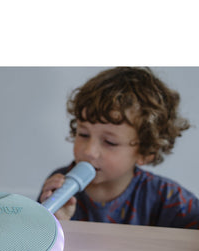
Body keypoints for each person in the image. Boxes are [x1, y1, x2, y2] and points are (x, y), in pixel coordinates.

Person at [38, 67, 199, 229]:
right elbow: (34, 237)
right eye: (84, 134)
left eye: (110, 142)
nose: (89, 151)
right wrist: (57, 222)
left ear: (145, 152)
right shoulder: (58, 184)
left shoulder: (168, 198)